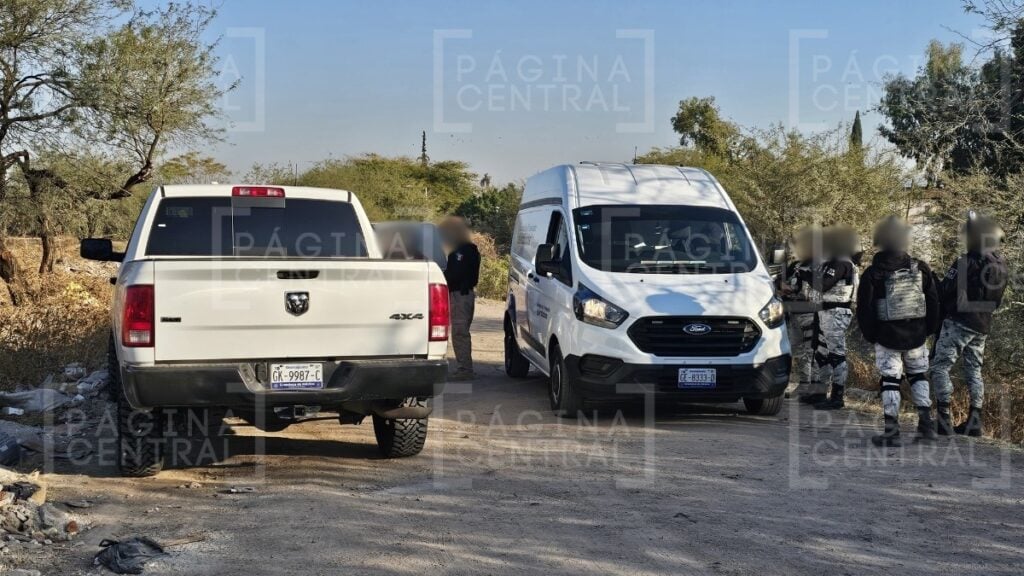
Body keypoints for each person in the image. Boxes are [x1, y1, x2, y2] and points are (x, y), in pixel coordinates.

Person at [857, 216, 941, 447]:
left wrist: (871, 335)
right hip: (916, 334)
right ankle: (926, 426)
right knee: (918, 375)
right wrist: (929, 329)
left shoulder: (873, 273)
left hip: (887, 334)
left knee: (890, 380)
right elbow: (934, 301)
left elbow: (864, 309)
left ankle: (892, 432)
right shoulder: (921, 268)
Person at [930, 212, 1008, 437]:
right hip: (983, 323)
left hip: (959, 320)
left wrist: (935, 281)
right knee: (974, 369)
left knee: (940, 366)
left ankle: (944, 418)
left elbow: (946, 291)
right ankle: (975, 421)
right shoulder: (1001, 264)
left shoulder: (966, 262)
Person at [810, 225, 860, 411]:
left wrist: (809, 275)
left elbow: (822, 284)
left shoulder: (841, 263)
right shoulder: (837, 262)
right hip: (828, 311)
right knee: (822, 353)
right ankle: (820, 392)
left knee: (836, 355)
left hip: (835, 312)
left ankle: (837, 396)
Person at [777, 226, 823, 404]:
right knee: (794, 350)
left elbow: (819, 288)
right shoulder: (796, 266)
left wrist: (796, 288)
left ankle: (814, 386)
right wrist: (782, 286)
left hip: (810, 313)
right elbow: (780, 282)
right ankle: (803, 384)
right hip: (793, 312)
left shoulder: (819, 265)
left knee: (810, 350)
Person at [440, 216, 481, 380]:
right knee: (459, 332)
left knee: (459, 332)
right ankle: (464, 367)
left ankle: (465, 369)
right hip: (461, 294)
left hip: (460, 294)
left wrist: (441, 275)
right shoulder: (466, 250)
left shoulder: (463, 251)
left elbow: (456, 274)